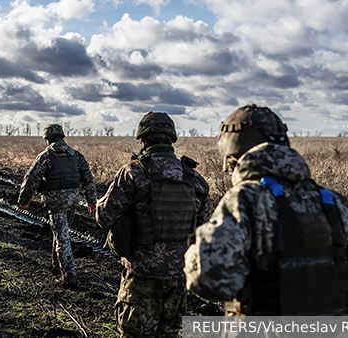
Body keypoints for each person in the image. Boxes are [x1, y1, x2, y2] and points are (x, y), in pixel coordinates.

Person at [184, 104, 348, 316]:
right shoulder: (330, 201)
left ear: (232, 155)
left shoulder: (244, 200)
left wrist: (196, 248)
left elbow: (208, 280)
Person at [96, 112, 213, 338]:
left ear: (143, 140)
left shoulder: (133, 172)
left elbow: (104, 218)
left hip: (141, 275)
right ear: (171, 139)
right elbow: (206, 231)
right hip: (178, 277)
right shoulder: (194, 178)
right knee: (168, 333)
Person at [18, 123, 97, 289]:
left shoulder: (45, 157)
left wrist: (24, 200)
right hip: (72, 202)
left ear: (47, 139)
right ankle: (55, 266)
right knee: (60, 233)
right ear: (62, 137)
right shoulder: (76, 155)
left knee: (62, 238)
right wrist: (91, 200)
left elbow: (31, 179)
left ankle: (69, 277)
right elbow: (88, 178)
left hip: (55, 203)